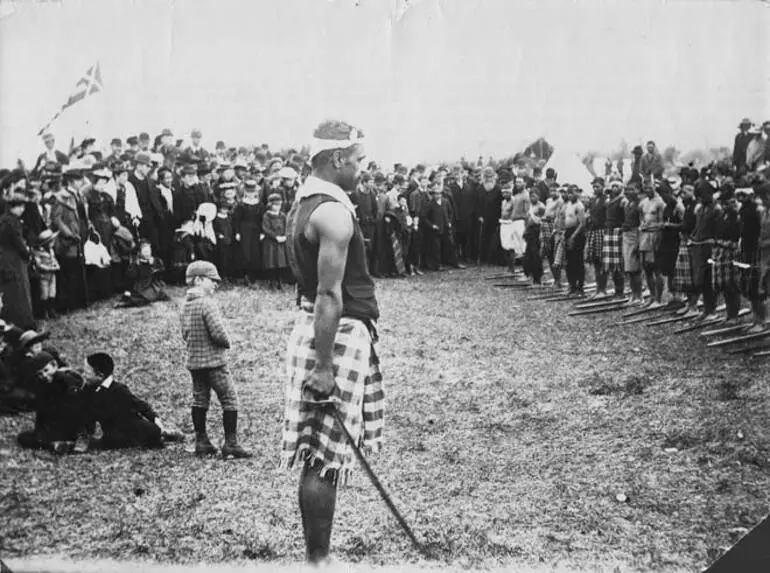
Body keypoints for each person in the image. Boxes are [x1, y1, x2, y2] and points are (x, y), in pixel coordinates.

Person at [282, 120, 384, 565]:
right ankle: (318, 562)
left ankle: (316, 558)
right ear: (337, 158)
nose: (364, 168)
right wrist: (323, 366)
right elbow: (327, 293)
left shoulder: (305, 203)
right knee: (322, 457)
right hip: (333, 334)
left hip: (322, 328)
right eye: (359, 159)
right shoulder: (332, 213)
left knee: (321, 455)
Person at [180, 261, 251, 459]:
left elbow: (185, 333)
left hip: (195, 362)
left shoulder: (185, 305)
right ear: (198, 280)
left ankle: (201, 441)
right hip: (214, 363)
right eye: (212, 280)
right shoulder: (207, 304)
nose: (215, 284)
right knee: (229, 399)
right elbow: (218, 333)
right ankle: (231, 443)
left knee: (200, 398)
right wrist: (228, 342)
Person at [82, 352, 182, 450]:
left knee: (108, 442)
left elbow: (142, 406)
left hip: (133, 431)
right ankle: (163, 435)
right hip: (113, 433)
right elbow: (89, 414)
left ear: (100, 375)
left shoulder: (119, 390)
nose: (83, 375)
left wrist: (159, 425)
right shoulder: (89, 389)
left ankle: (164, 434)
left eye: (86, 372)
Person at [16, 351, 89, 454]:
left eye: (46, 370)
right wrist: (39, 431)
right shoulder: (42, 385)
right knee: (23, 438)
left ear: (54, 365)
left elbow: (78, 408)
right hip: (55, 425)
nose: (44, 375)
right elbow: (41, 411)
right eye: (40, 374)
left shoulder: (67, 380)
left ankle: (74, 440)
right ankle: (57, 444)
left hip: (72, 423)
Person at [0, 193, 35, 330]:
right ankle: (25, 323)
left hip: (4, 259)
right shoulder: (13, 222)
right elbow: (18, 243)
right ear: (12, 207)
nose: (22, 210)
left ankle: (13, 322)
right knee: (21, 291)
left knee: (11, 293)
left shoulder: (3, 219)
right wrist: (28, 254)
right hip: (15, 259)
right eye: (19, 207)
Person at [638, 181, 666, 307]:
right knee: (647, 268)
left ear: (654, 187)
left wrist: (654, 231)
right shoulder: (643, 202)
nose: (647, 189)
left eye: (650, 187)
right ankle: (652, 296)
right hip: (644, 236)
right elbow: (641, 218)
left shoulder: (659, 202)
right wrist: (642, 225)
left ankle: (658, 299)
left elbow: (662, 223)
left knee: (656, 268)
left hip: (655, 236)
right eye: (645, 188)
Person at [584, 178, 607, 298]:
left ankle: (603, 289)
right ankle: (598, 289)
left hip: (602, 231)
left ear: (603, 186)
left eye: (597, 186)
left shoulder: (605, 200)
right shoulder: (593, 201)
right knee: (596, 261)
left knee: (602, 261)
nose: (595, 189)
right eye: (594, 187)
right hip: (593, 232)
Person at [31, 229, 60, 320]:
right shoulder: (38, 252)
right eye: (51, 241)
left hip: (52, 274)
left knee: (52, 291)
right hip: (44, 275)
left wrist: (56, 265)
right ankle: (45, 312)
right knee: (44, 293)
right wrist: (49, 268)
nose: (53, 243)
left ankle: (52, 310)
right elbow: (39, 264)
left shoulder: (51, 250)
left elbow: (54, 259)